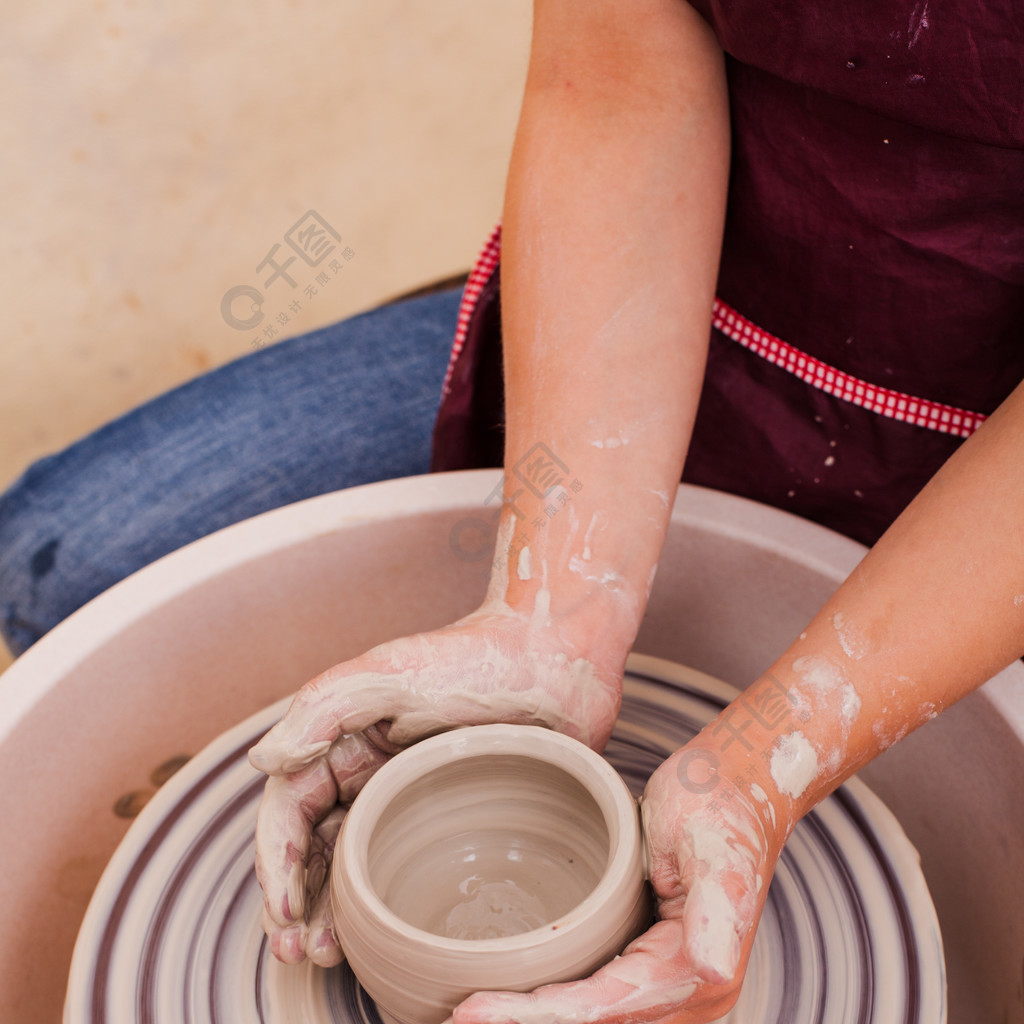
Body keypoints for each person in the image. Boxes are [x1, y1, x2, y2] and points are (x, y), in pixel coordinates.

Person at [0, 2, 1020, 1021]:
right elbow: (616, 85)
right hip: (678, 319)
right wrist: (554, 612)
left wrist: (767, 761)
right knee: (54, 559)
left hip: (981, 460)